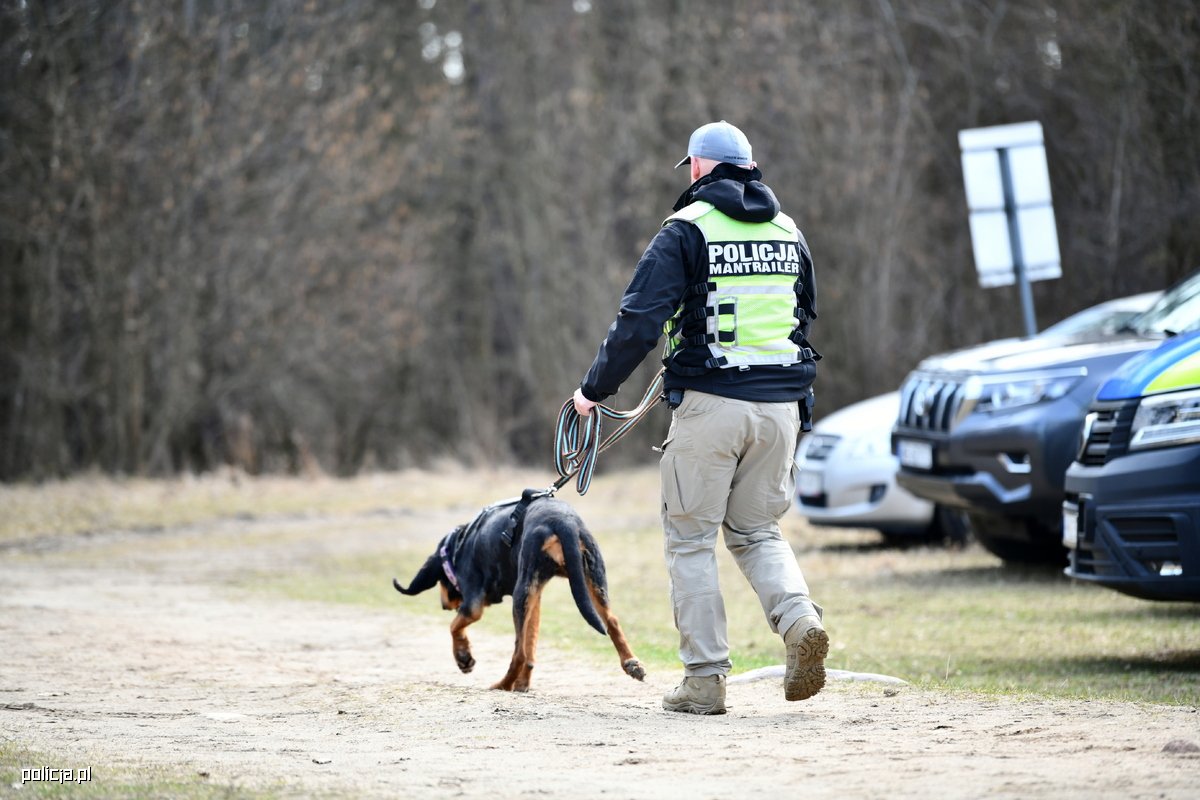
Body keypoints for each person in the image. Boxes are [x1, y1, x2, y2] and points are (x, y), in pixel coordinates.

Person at [571, 120, 827, 715]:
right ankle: (800, 623)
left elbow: (637, 321)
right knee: (758, 531)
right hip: (781, 412)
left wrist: (592, 392)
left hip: (712, 408)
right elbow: (801, 318)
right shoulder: (789, 232)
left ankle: (705, 681)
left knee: (690, 540)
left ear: (698, 168)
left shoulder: (685, 230)